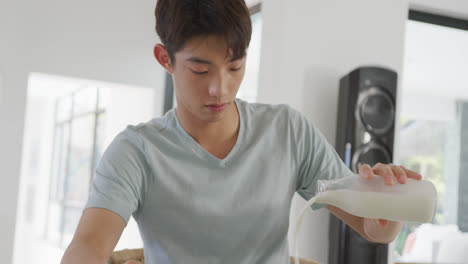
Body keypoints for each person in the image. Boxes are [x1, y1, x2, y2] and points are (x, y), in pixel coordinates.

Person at [60, 0, 422, 263]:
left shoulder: (288, 132)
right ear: (164, 58)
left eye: (234, 66)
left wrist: (384, 215)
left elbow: (371, 228)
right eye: (200, 70)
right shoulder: (136, 152)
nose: (221, 88)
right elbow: (89, 245)